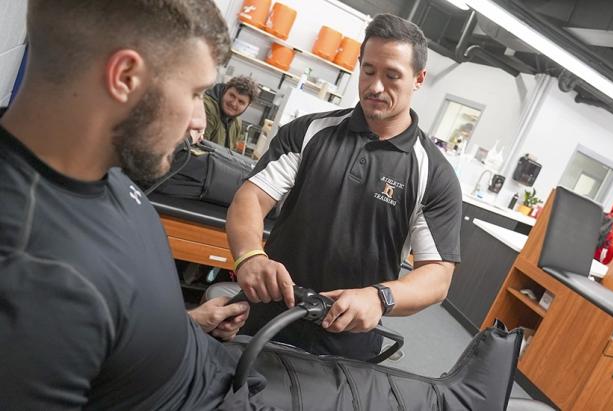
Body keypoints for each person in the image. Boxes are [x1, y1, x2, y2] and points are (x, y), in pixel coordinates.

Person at [0, 1, 273, 409]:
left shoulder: (96, 165)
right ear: (125, 77)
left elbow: (104, 316)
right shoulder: (34, 278)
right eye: (196, 93)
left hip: (214, 364)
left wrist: (188, 322)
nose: (199, 120)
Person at [226, 14, 462, 361]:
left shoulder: (433, 174)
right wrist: (250, 254)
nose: (375, 87)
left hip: (346, 342)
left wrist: (380, 298)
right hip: (266, 314)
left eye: (392, 75)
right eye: (368, 71)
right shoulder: (309, 133)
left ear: (419, 79)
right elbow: (251, 198)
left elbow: (437, 277)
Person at [203, 75, 259, 150]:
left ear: (248, 105)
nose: (234, 103)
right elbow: (198, 148)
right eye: (232, 95)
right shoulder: (208, 108)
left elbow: (231, 152)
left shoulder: (237, 122)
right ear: (225, 90)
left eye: (241, 102)